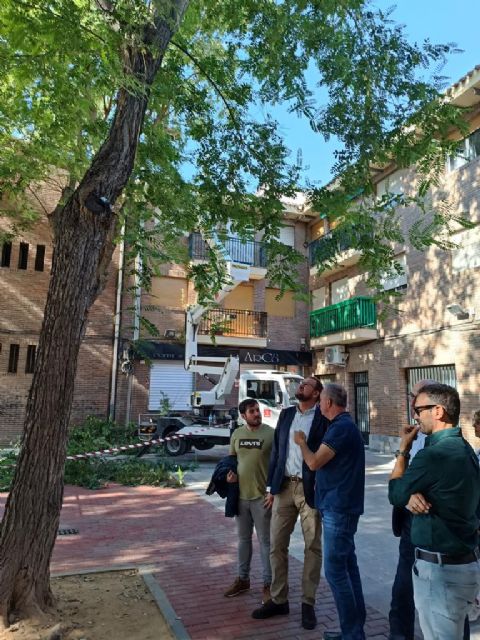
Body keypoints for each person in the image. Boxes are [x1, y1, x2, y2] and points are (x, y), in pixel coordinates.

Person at [389, 383, 480, 639]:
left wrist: (403, 450)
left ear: (438, 411)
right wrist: (412, 494)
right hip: (460, 566)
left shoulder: (435, 454)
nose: (415, 415)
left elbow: (395, 493)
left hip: (440, 573)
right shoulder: (465, 449)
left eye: (419, 409)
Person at [252, 377, 328, 630]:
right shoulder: (286, 415)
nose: (301, 387)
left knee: (312, 546)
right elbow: (277, 452)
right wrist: (270, 488)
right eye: (301, 384)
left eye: (306, 385)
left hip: (310, 489)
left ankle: (308, 603)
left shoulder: (323, 417)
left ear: (316, 394)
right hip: (284, 487)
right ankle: (278, 599)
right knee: (276, 545)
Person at [294, 383, 366, 640]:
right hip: (338, 507)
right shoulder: (342, 426)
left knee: (335, 572)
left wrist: (302, 443)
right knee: (348, 567)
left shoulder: (341, 428)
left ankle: (352, 634)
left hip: (339, 509)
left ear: (328, 403)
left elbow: (314, 462)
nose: (318, 405)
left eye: (321, 400)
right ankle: (353, 629)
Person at [388, 378, 436, 640]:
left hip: (433, 528)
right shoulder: (414, 436)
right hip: (409, 524)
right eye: (411, 396)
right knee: (401, 592)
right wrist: (403, 448)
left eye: (416, 398)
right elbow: (398, 482)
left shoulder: (448, 444)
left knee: (441, 607)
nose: (412, 402)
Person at [224, 398, 274, 604]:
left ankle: (269, 584)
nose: (256, 414)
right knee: (243, 540)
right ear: (243, 415)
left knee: (265, 542)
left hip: (263, 498)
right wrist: (230, 477)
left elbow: (279, 463)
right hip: (241, 497)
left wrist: (273, 490)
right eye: (252, 411)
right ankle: (243, 579)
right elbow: (231, 461)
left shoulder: (271, 433)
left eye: (257, 410)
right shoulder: (237, 434)